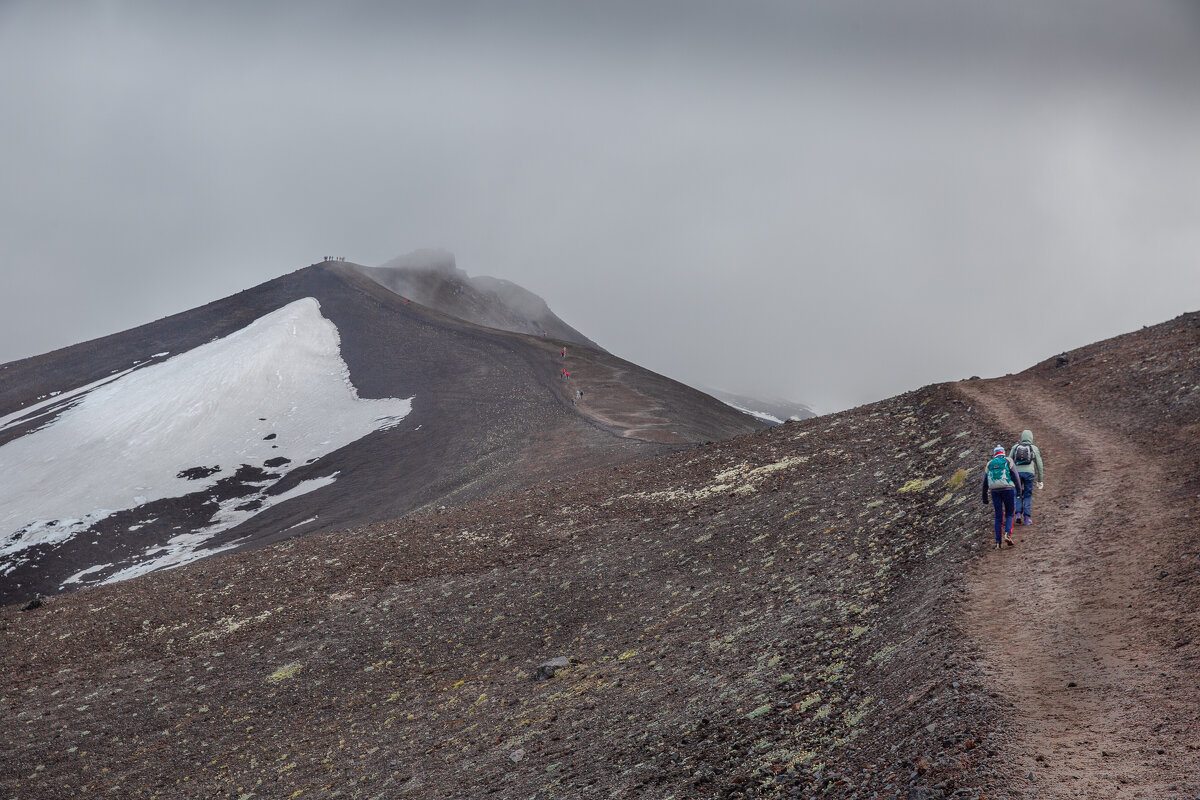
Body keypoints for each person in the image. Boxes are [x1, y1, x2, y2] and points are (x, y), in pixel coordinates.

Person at [981, 445, 1023, 549]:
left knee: (998, 516)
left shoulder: (989, 464)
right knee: (1009, 514)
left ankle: (998, 543)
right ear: (1003, 453)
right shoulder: (1008, 461)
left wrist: (984, 496)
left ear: (994, 454)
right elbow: (1016, 476)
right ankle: (1007, 534)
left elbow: (985, 482)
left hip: (995, 491)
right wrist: (1019, 491)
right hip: (1008, 490)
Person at [1008, 430, 1044, 526]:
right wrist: (1040, 480)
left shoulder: (1015, 447)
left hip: (1017, 474)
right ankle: (1027, 519)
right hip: (1029, 474)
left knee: (1018, 494)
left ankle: (1018, 514)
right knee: (1028, 495)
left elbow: (1009, 461)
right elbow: (1039, 465)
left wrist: (1008, 476)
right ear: (1031, 438)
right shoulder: (1034, 448)